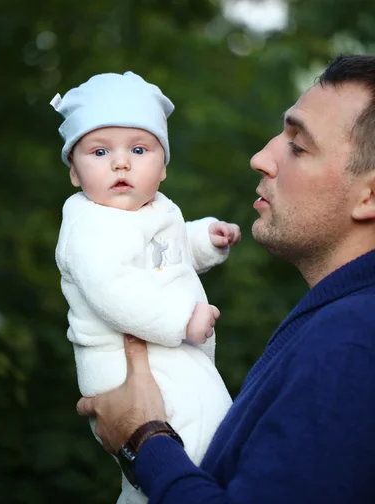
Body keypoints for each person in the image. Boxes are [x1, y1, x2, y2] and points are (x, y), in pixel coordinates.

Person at [76, 54, 375, 504]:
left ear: (369, 195)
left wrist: (145, 439)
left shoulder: (351, 342)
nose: (261, 158)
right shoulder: (342, 323)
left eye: (298, 146)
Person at [51, 71, 240, 504]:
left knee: (213, 432)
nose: (121, 163)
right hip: (123, 359)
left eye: (139, 149)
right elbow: (113, 290)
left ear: (164, 165)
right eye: (100, 152)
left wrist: (205, 240)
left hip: (173, 351)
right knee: (193, 440)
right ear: (75, 174)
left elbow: (166, 253)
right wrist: (181, 319)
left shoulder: (157, 209)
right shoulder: (88, 225)